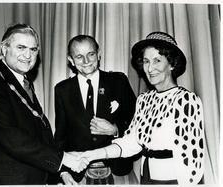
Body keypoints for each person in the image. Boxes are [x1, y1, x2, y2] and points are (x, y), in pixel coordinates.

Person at [79, 31, 205, 185]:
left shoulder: (186, 100)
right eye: (146, 61)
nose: (150, 68)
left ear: (171, 64)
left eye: (157, 60)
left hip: (175, 180)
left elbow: (192, 160)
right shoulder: (144, 100)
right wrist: (90, 155)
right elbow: (129, 143)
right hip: (146, 178)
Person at [0, 23, 88, 185]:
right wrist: (62, 159)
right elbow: (12, 138)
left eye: (33, 50)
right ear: (4, 49)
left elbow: (40, 133)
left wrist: (61, 172)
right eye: (21, 47)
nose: (27, 55)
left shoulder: (22, 81)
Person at [54, 35, 137, 184]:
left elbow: (138, 125)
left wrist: (115, 130)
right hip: (77, 173)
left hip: (117, 169)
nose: (86, 61)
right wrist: (63, 171)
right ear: (71, 60)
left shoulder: (118, 81)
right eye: (79, 57)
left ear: (98, 54)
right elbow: (60, 135)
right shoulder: (62, 90)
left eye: (90, 54)